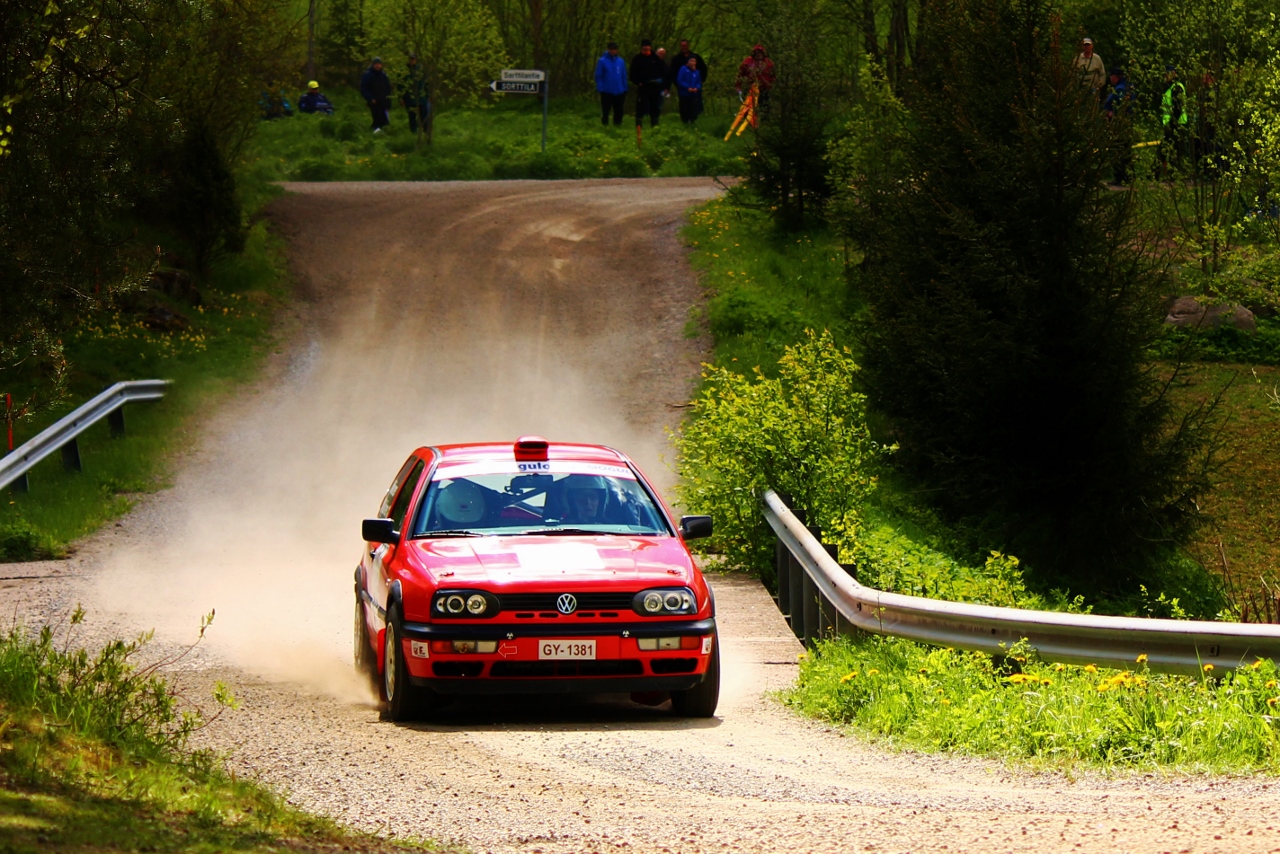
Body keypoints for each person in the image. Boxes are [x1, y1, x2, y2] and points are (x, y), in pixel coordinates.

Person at [1102, 68, 1133, 185]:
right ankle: (1126, 176)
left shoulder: (1120, 89)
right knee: (1124, 149)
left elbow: (1121, 106)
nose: (1110, 78)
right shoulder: (1127, 87)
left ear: (1116, 76)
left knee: (1118, 150)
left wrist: (1112, 113)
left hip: (1119, 124)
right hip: (1124, 123)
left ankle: (1121, 177)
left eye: (1111, 76)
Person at [630, 39, 668, 128]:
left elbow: (663, 72)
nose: (646, 51)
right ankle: (639, 126)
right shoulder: (637, 59)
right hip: (643, 87)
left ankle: (654, 126)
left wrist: (662, 84)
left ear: (650, 48)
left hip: (654, 87)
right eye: (644, 49)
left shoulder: (655, 58)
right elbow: (632, 74)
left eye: (647, 49)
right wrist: (638, 82)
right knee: (641, 107)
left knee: (654, 107)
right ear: (641, 48)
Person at [1159, 64, 1188, 176]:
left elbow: (1177, 108)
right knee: (1169, 150)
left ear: (1173, 73)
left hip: (1176, 124)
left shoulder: (1176, 87)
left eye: (1166, 74)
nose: (1165, 76)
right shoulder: (1171, 87)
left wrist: (1171, 124)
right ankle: (1170, 174)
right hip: (1172, 124)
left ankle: (1172, 174)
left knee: (1170, 150)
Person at [668, 39, 708, 116]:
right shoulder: (676, 59)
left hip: (695, 85)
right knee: (684, 104)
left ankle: (696, 117)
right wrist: (677, 84)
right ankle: (685, 119)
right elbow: (672, 72)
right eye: (682, 46)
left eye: (685, 45)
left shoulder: (696, 57)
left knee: (696, 103)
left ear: (688, 46)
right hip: (683, 86)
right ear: (680, 47)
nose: (684, 47)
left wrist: (701, 81)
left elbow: (703, 68)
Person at [594, 41, 628, 126]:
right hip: (607, 90)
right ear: (608, 49)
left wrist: (625, 87)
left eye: (614, 49)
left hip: (619, 90)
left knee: (619, 110)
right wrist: (600, 88)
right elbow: (598, 75)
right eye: (611, 49)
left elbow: (623, 75)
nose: (613, 51)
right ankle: (605, 125)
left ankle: (617, 125)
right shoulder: (602, 61)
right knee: (606, 110)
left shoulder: (620, 61)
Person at [736, 44, 775, 109]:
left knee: (764, 107)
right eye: (756, 52)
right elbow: (740, 75)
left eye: (760, 52)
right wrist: (738, 87)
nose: (758, 54)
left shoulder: (768, 63)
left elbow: (773, 75)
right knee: (749, 108)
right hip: (750, 89)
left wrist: (771, 85)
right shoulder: (747, 62)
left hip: (764, 89)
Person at [360, 57, 393, 133]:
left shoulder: (383, 76)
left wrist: (388, 104)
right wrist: (370, 98)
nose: (377, 66)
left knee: (384, 121)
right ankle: (375, 133)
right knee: (378, 120)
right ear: (373, 65)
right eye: (376, 64)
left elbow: (388, 90)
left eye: (379, 64)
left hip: (383, 102)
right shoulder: (367, 75)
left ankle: (378, 133)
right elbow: (363, 89)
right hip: (374, 101)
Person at [399, 54, 430, 135]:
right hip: (409, 97)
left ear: (416, 60)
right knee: (412, 116)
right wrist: (401, 98)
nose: (411, 61)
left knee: (424, 115)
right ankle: (414, 132)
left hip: (421, 97)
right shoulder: (404, 71)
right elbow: (400, 85)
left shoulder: (421, 69)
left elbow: (426, 83)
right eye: (410, 59)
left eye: (413, 59)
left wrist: (428, 95)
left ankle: (426, 131)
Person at [676, 55, 703, 124]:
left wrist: (697, 88)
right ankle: (685, 122)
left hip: (693, 93)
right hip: (684, 93)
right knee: (685, 108)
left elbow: (698, 82)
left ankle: (692, 121)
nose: (693, 62)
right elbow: (680, 80)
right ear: (688, 61)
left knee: (693, 108)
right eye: (691, 61)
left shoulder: (697, 72)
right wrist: (687, 87)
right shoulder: (683, 69)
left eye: (694, 61)